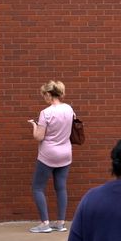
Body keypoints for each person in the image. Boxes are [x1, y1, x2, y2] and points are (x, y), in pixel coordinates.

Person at [27, 80, 74, 233]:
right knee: (60, 188)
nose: (44, 98)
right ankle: (60, 223)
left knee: (37, 187)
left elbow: (39, 137)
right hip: (65, 153)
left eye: (44, 95)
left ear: (48, 94)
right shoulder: (69, 109)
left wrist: (34, 125)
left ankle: (45, 223)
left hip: (48, 154)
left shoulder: (45, 113)